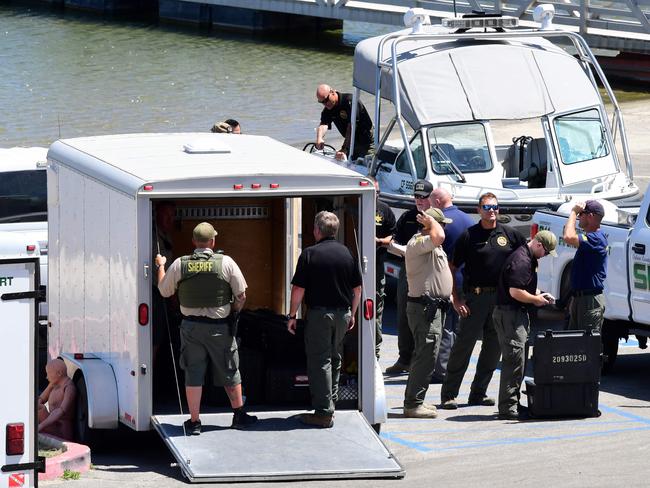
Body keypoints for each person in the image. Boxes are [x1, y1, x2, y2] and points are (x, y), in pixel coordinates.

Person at [156, 222, 257, 435]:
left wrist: (160, 266)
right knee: (230, 369)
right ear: (213, 241)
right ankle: (238, 415)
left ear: (194, 242)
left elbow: (164, 291)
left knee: (193, 373)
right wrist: (234, 312)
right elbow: (241, 296)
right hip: (220, 328)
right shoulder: (226, 262)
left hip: (191, 328)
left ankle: (194, 422)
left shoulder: (180, 264)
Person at [440, 193, 527, 410]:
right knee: (463, 347)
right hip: (474, 298)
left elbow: (525, 260)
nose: (491, 211)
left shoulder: (511, 235)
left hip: (500, 300)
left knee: (492, 349)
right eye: (487, 207)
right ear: (478, 210)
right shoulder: (469, 236)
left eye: (495, 207)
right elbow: (451, 267)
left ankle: (478, 393)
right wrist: (456, 297)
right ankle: (449, 394)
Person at [287, 211, 362, 428]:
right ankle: (331, 402)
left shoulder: (309, 254)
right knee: (335, 357)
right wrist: (352, 314)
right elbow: (357, 289)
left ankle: (323, 412)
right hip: (342, 313)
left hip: (320, 315)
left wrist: (292, 316)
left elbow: (298, 289)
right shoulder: (347, 254)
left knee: (320, 361)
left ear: (317, 230)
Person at [492, 230, 558, 420]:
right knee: (514, 361)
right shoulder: (522, 260)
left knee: (518, 361)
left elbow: (524, 285)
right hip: (510, 315)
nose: (545, 256)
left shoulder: (528, 257)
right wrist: (535, 300)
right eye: (546, 252)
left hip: (516, 315)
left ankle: (511, 402)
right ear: (538, 244)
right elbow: (515, 291)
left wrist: (539, 293)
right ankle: (508, 407)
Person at [403, 208, 453, 418]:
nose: (446, 228)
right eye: (442, 223)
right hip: (424, 309)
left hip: (434, 308)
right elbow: (439, 235)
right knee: (425, 355)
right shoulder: (418, 243)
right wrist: (432, 223)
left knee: (427, 355)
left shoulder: (432, 245)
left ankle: (417, 400)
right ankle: (413, 403)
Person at [385, 179, 433, 375]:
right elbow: (392, 243)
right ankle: (404, 358)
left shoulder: (437, 218)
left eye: (423, 197)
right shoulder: (407, 217)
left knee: (428, 318)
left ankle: (424, 362)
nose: (419, 201)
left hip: (430, 272)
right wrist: (406, 251)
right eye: (416, 197)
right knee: (404, 314)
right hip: (409, 270)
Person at [429, 188, 473, 383]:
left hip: (447, 280)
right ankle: (456, 369)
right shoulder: (468, 220)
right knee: (460, 329)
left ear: (437, 201)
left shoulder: (440, 224)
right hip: (467, 280)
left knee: (446, 327)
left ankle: (444, 370)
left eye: (431, 203)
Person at [563, 200, 608, 333]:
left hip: (590, 300)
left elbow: (568, 236)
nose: (578, 217)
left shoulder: (597, 238)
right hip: (580, 298)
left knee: (586, 348)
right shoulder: (590, 238)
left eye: (581, 214)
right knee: (572, 345)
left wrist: (573, 211)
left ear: (591, 216)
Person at [315, 84, 374, 161]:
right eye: (321, 102)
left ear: (332, 92)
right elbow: (323, 124)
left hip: (366, 140)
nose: (325, 104)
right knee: (343, 160)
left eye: (326, 100)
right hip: (351, 142)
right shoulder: (328, 108)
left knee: (368, 164)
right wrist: (319, 138)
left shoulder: (349, 101)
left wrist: (344, 149)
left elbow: (352, 127)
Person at [373, 178, 396, 358]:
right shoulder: (355, 204)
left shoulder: (384, 210)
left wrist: (380, 242)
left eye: (378, 192)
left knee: (376, 309)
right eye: (374, 192)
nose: (376, 195)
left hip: (377, 265)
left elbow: (393, 237)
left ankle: (375, 351)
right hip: (354, 266)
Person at [38, 359, 76, 441]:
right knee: (39, 408)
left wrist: (41, 426)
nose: (46, 377)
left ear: (59, 373)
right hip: (52, 424)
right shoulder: (53, 384)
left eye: (48, 374)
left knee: (41, 409)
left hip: (61, 429)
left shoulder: (69, 388)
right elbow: (41, 399)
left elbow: (61, 411)